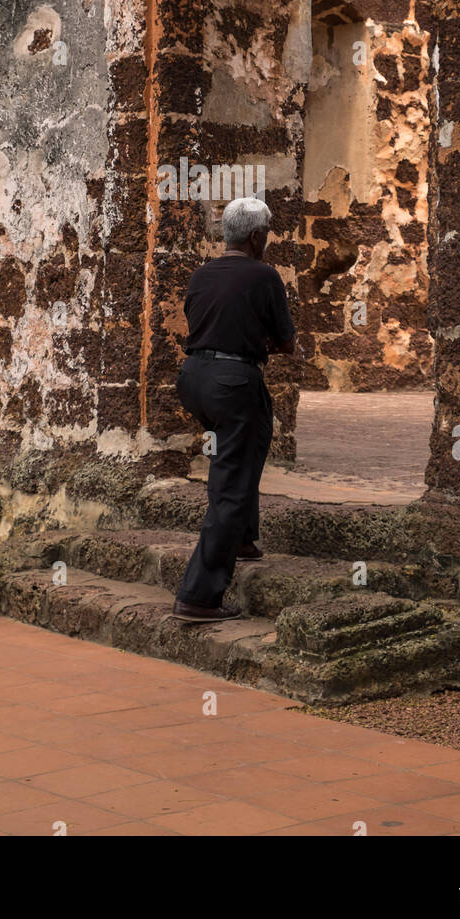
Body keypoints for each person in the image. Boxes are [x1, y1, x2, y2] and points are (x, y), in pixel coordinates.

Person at [172, 196, 296, 621]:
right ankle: (199, 595)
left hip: (194, 380)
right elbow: (287, 343)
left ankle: (242, 537)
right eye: (267, 234)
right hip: (234, 381)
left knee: (245, 449)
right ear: (257, 237)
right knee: (232, 481)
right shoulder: (264, 276)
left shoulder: (201, 274)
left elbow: (201, 323)